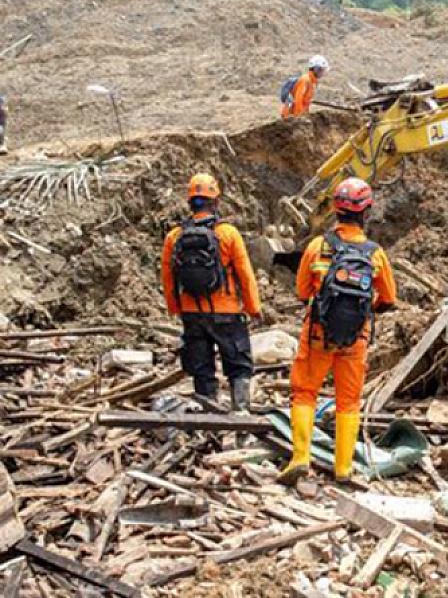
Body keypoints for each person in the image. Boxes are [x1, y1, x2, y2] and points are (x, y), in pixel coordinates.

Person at [278, 177, 397, 485]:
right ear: (366, 211)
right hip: (355, 339)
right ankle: (343, 467)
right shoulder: (375, 254)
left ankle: (301, 456)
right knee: (349, 400)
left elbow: (302, 291)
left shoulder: (319, 247)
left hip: (318, 333)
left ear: (335, 208)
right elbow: (389, 299)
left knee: (305, 392)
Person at [160, 173, 261, 411]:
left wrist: (176, 307)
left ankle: (208, 419)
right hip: (227, 313)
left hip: (192, 313)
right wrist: (253, 307)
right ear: (215, 201)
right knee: (239, 366)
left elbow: (168, 278)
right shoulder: (227, 233)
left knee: (202, 369)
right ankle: (242, 415)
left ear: (190, 202)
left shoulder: (174, 236)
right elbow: (245, 274)